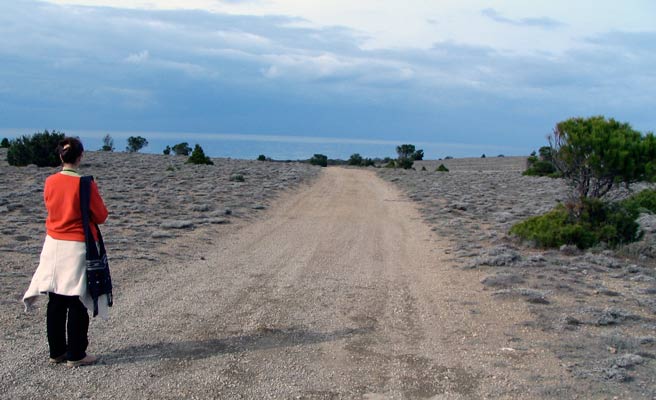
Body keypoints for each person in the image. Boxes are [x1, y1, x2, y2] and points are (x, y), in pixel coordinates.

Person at [23, 137, 108, 367]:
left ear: (60, 156)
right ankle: (77, 353)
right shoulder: (85, 184)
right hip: (76, 246)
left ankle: (57, 351)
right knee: (77, 299)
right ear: (80, 157)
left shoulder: (50, 181)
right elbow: (101, 215)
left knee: (56, 299)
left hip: (52, 245)